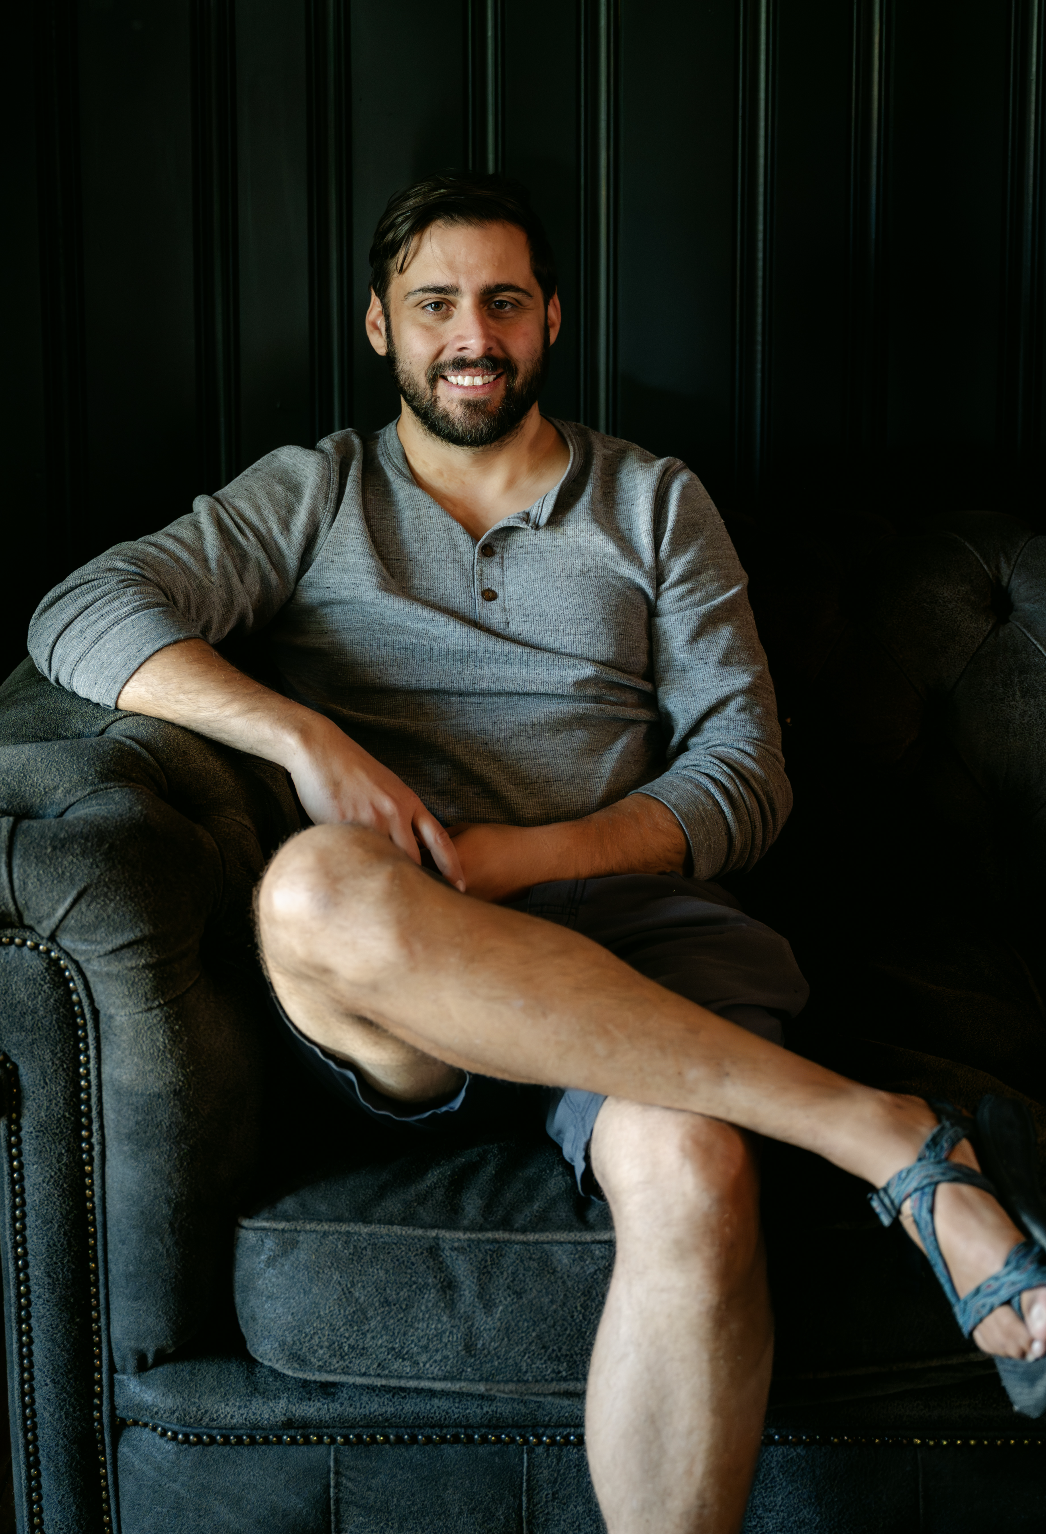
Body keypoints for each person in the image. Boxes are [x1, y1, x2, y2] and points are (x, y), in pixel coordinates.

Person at [29, 172, 1046, 1534]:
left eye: (503, 300)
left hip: (641, 938)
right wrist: (302, 742)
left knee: (691, 1164)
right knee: (316, 885)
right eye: (435, 302)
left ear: (550, 318)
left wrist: (519, 859)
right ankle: (884, 1135)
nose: (471, 333)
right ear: (380, 326)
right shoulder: (312, 492)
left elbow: (745, 782)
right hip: (413, 983)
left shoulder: (652, 503)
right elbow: (82, 611)